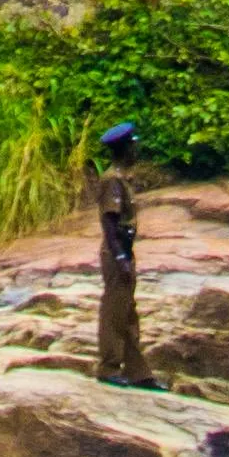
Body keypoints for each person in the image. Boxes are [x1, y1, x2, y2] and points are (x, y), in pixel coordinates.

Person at [94, 123, 146, 389]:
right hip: (117, 252)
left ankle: (138, 371)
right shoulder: (112, 180)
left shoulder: (123, 177)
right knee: (115, 310)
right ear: (124, 148)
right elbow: (109, 223)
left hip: (126, 250)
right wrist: (121, 259)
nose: (136, 149)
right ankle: (108, 367)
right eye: (133, 144)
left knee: (128, 310)